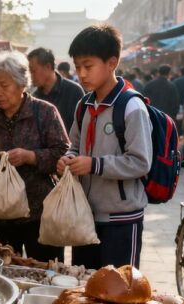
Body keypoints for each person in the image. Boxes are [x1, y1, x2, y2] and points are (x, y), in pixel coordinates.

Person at [56, 24, 152, 270]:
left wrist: (94, 164)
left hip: (121, 220)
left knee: (119, 294)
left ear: (112, 63)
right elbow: (74, 145)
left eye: (88, 66)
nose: (81, 74)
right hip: (85, 216)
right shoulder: (84, 105)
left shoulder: (131, 107)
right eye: (77, 67)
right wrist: (68, 159)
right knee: (86, 292)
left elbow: (141, 162)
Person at [0, 51, 69, 261]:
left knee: (40, 272)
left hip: (38, 216)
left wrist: (31, 156)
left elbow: (63, 153)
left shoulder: (45, 112)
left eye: (4, 86)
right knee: (1, 273)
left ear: (22, 83)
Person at [28, 47, 84, 133]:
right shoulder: (34, 97)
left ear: (48, 66)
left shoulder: (74, 91)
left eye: (33, 71)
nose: (31, 76)